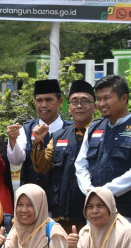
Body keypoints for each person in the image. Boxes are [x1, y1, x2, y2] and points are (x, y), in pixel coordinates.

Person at [74, 74, 131, 226]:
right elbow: (81, 164)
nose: (101, 103)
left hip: (128, 218)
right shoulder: (94, 127)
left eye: (107, 98)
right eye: (99, 99)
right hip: (95, 217)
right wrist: (90, 190)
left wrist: (104, 192)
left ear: (124, 98)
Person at [31, 79, 95, 230]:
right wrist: (38, 143)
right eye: (74, 102)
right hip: (62, 215)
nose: (79, 106)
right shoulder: (59, 136)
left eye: (84, 101)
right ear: (69, 106)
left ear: (94, 107)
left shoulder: (101, 133)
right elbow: (41, 167)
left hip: (91, 214)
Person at [6, 79, 65, 193]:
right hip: (33, 200)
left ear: (60, 102)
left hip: (61, 199)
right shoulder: (26, 129)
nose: (43, 105)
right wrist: (12, 140)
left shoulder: (69, 130)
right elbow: (16, 160)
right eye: (39, 100)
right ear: (34, 102)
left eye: (49, 100)